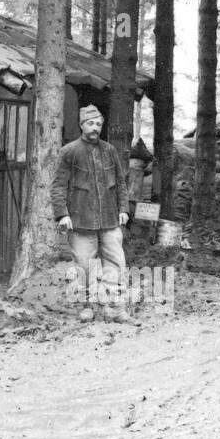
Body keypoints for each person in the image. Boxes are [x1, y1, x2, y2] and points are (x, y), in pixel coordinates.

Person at [51, 104, 139, 325]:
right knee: (84, 265)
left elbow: (120, 182)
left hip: (109, 219)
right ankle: (87, 306)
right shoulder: (69, 152)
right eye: (90, 123)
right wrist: (62, 214)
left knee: (117, 263)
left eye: (98, 124)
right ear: (81, 125)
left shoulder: (109, 151)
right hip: (81, 221)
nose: (95, 128)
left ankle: (116, 309)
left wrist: (123, 209)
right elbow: (58, 186)